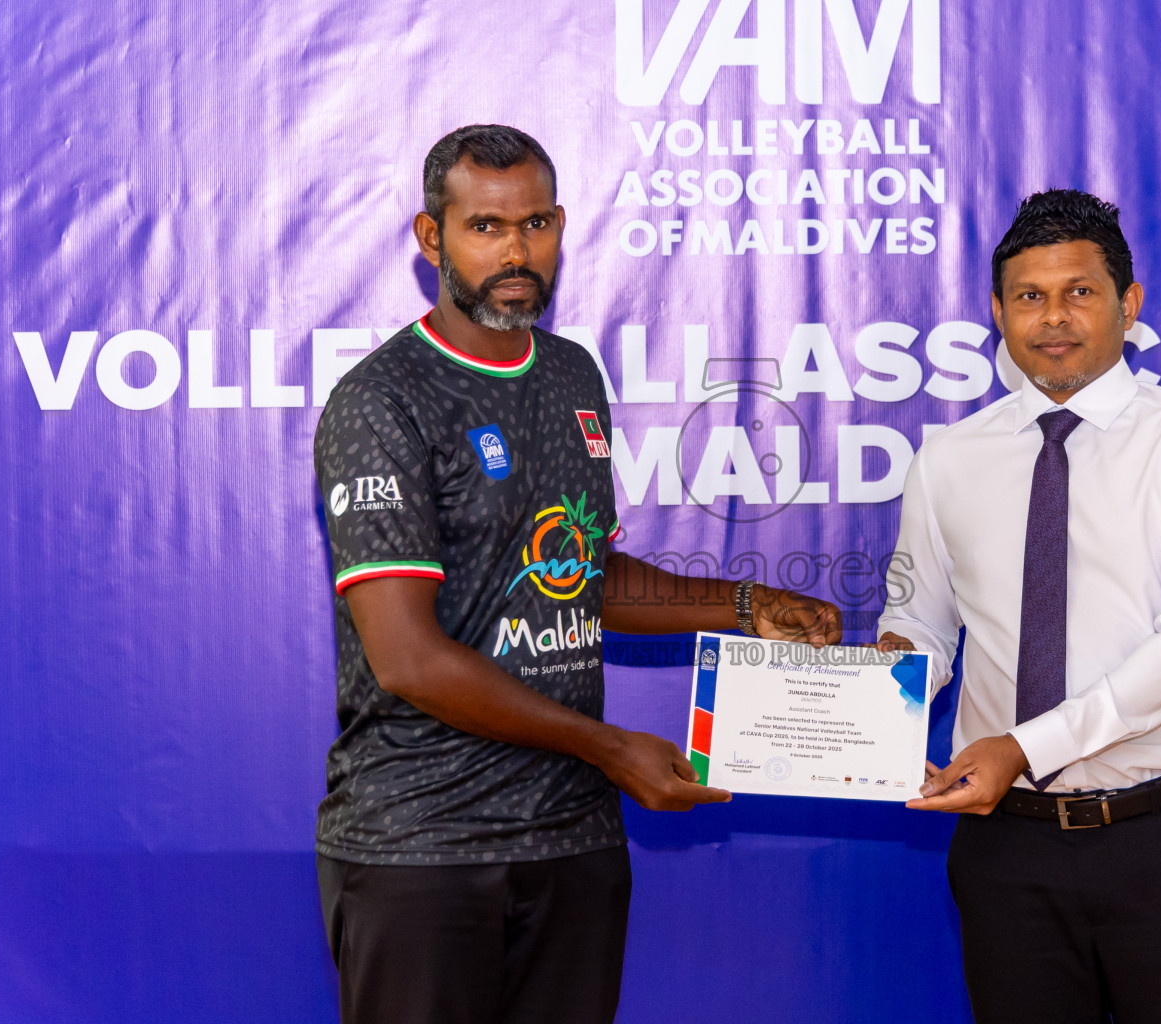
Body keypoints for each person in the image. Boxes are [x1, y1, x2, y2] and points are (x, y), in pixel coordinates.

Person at [312, 124, 841, 1024]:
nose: (517, 251)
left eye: (537, 223)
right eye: (486, 226)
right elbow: (406, 658)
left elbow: (576, 573)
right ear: (431, 237)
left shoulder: (569, 376)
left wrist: (745, 604)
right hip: (424, 845)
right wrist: (609, 749)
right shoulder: (382, 401)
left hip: (573, 841)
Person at [877, 189, 1161, 1022]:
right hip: (1003, 851)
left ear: (1129, 305)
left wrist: (1022, 746)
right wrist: (873, 701)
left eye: (1079, 292)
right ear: (997, 312)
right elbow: (924, 624)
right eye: (1029, 296)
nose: (1053, 317)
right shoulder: (948, 457)